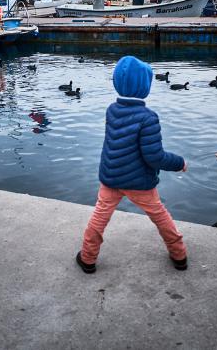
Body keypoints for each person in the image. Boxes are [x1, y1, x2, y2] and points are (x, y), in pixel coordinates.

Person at [76, 56, 189, 274]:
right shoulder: (148, 118)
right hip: (139, 182)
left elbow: (114, 143)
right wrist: (179, 163)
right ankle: (179, 255)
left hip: (111, 178)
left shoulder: (111, 110)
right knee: (160, 215)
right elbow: (154, 157)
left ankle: (88, 258)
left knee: (100, 216)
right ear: (145, 87)